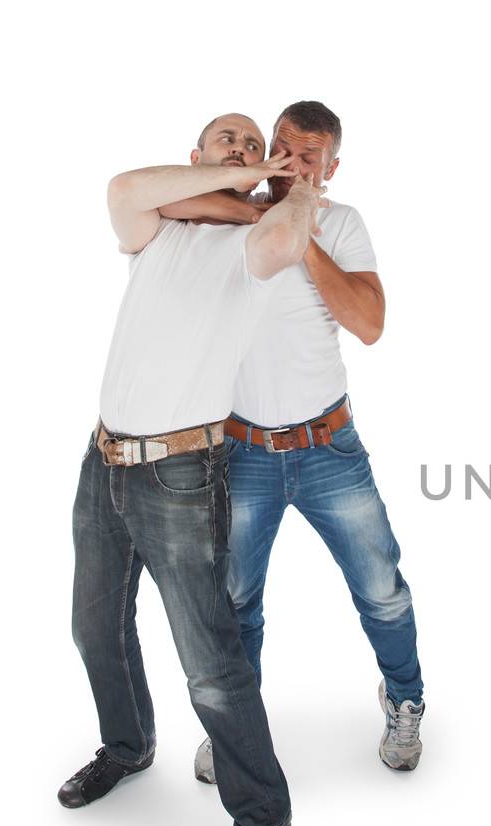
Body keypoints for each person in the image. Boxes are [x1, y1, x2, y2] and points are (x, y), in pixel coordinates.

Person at [60, 112, 321, 826]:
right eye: (225, 141)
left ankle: (262, 820)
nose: (240, 150)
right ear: (198, 156)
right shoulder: (158, 229)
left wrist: (291, 187)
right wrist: (231, 185)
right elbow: (124, 190)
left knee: (210, 663)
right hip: (104, 458)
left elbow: (289, 238)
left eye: (250, 145)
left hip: (180, 472)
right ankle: (129, 744)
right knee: (93, 625)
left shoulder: (248, 243)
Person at [170, 101, 426, 783]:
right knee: (234, 601)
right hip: (243, 453)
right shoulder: (230, 216)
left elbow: (369, 324)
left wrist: (302, 228)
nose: (291, 161)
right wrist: (259, 201)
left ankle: (405, 699)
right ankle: (235, 730)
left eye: (307, 155)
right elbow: (163, 212)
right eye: (281, 146)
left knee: (381, 589)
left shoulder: (341, 224)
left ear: (330, 166)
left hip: (328, 450)